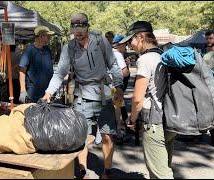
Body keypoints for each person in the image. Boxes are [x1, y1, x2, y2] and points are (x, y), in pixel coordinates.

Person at [42, 13, 124, 179]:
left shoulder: (101, 42)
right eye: (74, 28)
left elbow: (114, 65)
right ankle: (83, 172)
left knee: (108, 136)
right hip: (82, 97)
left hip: (103, 96)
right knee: (82, 137)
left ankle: (107, 172)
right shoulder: (69, 47)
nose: (78, 31)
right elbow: (60, 73)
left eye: (81, 27)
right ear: (71, 29)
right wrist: (48, 92)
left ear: (87, 26)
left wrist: (120, 86)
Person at [121, 21, 177, 178]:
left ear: (140, 37)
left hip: (154, 123)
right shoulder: (161, 55)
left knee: (161, 174)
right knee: (163, 165)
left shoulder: (145, 59)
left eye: (130, 40)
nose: (129, 45)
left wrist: (131, 119)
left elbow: (138, 99)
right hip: (170, 119)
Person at [19, 25, 55, 103]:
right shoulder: (29, 50)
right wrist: (23, 90)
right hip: (33, 93)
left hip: (47, 92)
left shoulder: (47, 50)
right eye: (48, 36)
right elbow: (22, 71)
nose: (49, 38)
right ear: (41, 36)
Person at [112, 35, 131, 144]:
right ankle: (118, 134)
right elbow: (125, 72)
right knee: (116, 111)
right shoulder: (118, 55)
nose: (126, 47)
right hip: (116, 87)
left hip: (104, 87)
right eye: (125, 44)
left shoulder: (105, 52)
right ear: (120, 44)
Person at [203, 30, 214, 145]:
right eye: (207, 39)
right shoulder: (205, 53)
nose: (208, 41)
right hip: (207, 89)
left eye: (210, 38)